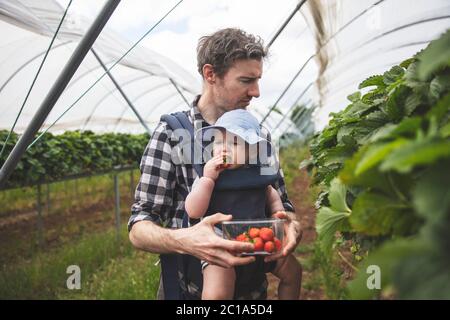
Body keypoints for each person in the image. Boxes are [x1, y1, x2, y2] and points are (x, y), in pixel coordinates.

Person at [128, 28, 302, 300]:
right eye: (246, 80)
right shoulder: (174, 134)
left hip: (252, 291)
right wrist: (186, 240)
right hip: (189, 290)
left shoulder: (260, 137)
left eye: (257, 80)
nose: (255, 92)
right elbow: (139, 225)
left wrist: (290, 225)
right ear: (210, 74)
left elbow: (281, 204)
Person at [185, 109, 302, 300]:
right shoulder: (209, 176)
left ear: (252, 150)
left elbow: (270, 195)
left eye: (234, 142)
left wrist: (278, 213)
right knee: (217, 293)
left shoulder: (257, 175)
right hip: (222, 245)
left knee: (293, 273)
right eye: (219, 141)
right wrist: (208, 180)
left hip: (259, 241)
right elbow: (193, 210)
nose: (224, 148)